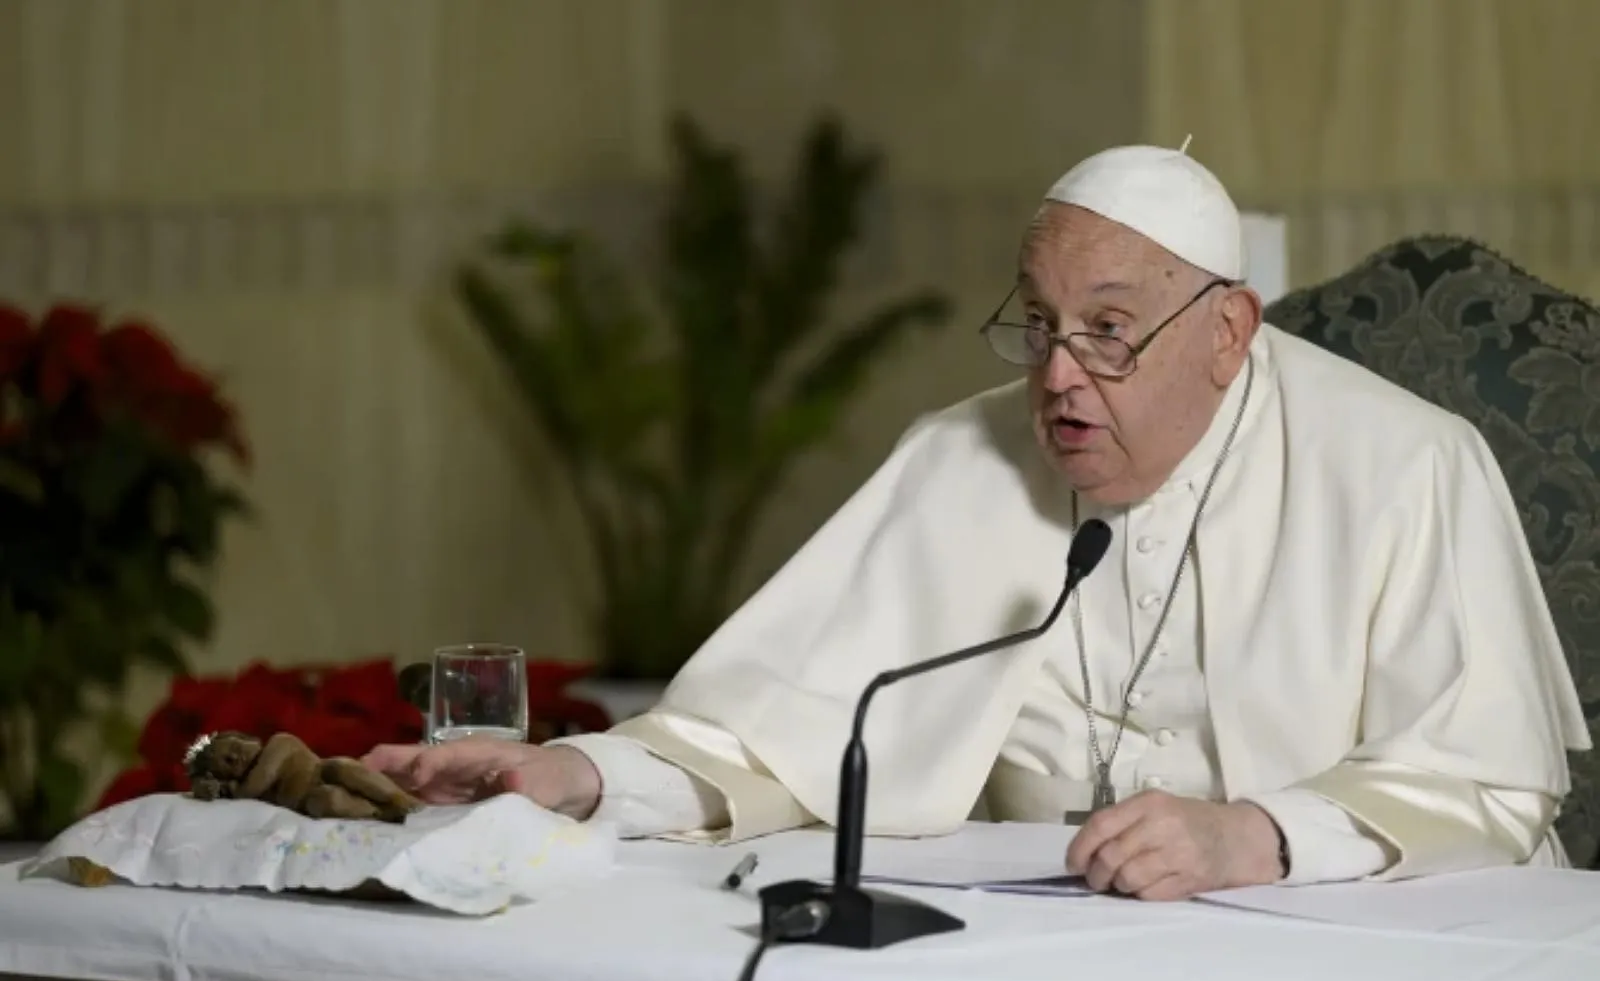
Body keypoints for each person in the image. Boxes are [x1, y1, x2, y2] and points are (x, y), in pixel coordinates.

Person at [365, 143, 1593, 901]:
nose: (1058, 374)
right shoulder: (961, 455)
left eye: (1108, 330)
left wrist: (1256, 836)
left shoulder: (1403, 465)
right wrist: (576, 773)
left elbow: (1485, 783)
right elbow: (780, 733)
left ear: (1228, 334)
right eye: (1040, 324)